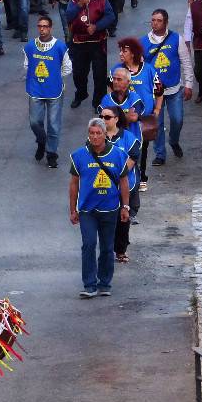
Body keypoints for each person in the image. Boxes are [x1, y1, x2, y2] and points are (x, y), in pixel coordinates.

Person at [68, 118, 131, 298]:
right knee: (88, 244)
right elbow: (73, 184)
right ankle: (89, 285)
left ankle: (105, 283)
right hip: (87, 210)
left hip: (110, 208)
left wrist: (125, 206)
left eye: (98, 133)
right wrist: (73, 209)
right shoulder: (79, 156)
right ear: (88, 134)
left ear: (105, 134)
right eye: (92, 133)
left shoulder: (118, 155)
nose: (95, 137)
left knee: (106, 247)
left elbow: (124, 181)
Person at [140, 9, 193, 166]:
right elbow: (139, 68)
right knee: (157, 124)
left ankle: (174, 140)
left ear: (166, 22)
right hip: (154, 93)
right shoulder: (143, 42)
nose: (155, 23)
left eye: (159, 20)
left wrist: (189, 84)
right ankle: (160, 154)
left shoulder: (177, 39)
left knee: (177, 119)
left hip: (174, 89)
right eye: (153, 20)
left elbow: (186, 63)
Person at [112, 38, 163, 191]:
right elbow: (110, 91)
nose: (121, 54)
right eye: (120, 50)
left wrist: (157, 111)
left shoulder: (148, 70)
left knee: (142, 148)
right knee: (121, 147)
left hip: (142, 120)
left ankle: (142, 177)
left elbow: (159, 91)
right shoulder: (116, 70)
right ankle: (121, 176)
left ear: (133, 54)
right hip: (121, 119)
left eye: (124, 51)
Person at [24, 16, 72, 169]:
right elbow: (27, 65)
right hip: (35, 90)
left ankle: (51, 154)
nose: (42, 29)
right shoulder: (30, 46)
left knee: (53, 124)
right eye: (39, 26)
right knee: (34, 122)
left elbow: (67, 67)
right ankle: (41, 141)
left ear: (50, 28)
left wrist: (56, 78)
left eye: (45, 26)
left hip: (54, 91)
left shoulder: (59, 46)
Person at [64, 0, 116, 109]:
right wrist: (80, 4)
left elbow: (110, 16)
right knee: (79, 73)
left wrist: (97, 26)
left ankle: (98, 101)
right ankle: (81, 93)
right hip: (79, 43)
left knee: (99, 74)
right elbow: (68, 17)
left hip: (98, 42)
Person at [101, 105, 140, 263]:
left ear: (116, 119)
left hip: (126, 185)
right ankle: (106, 248)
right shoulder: (97, 136)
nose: (103, 120)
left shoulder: (128, 137)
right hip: (103, 186)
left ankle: (121, 249)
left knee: (123, 218)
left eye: (107, 117)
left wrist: (119, 175)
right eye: (101, 116)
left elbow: (133, 156)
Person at [99, 68, 144, 140]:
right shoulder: (106, 99)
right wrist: (126, 116)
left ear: (128, 82)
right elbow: (102, 121)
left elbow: (133, 118)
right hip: (111, 141)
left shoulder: (135, 98)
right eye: (114, 79)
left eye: (119, 79)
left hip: (132, 141)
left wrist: (112, 118)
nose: (115, 82)